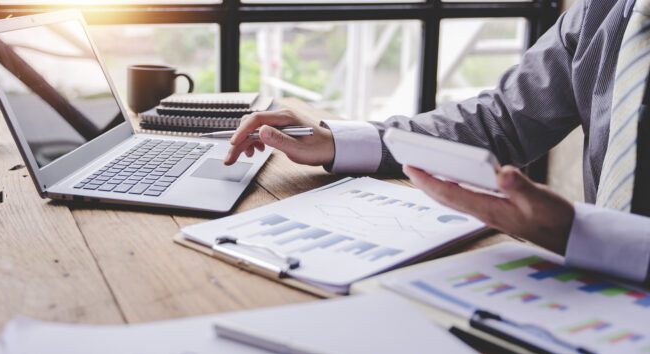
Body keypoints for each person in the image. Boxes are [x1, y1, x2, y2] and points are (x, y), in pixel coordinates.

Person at [224, 0, 650, 284]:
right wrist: (339, 140)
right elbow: (500, 119)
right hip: (594, 295)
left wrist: (585, 234)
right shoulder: (607, 9)